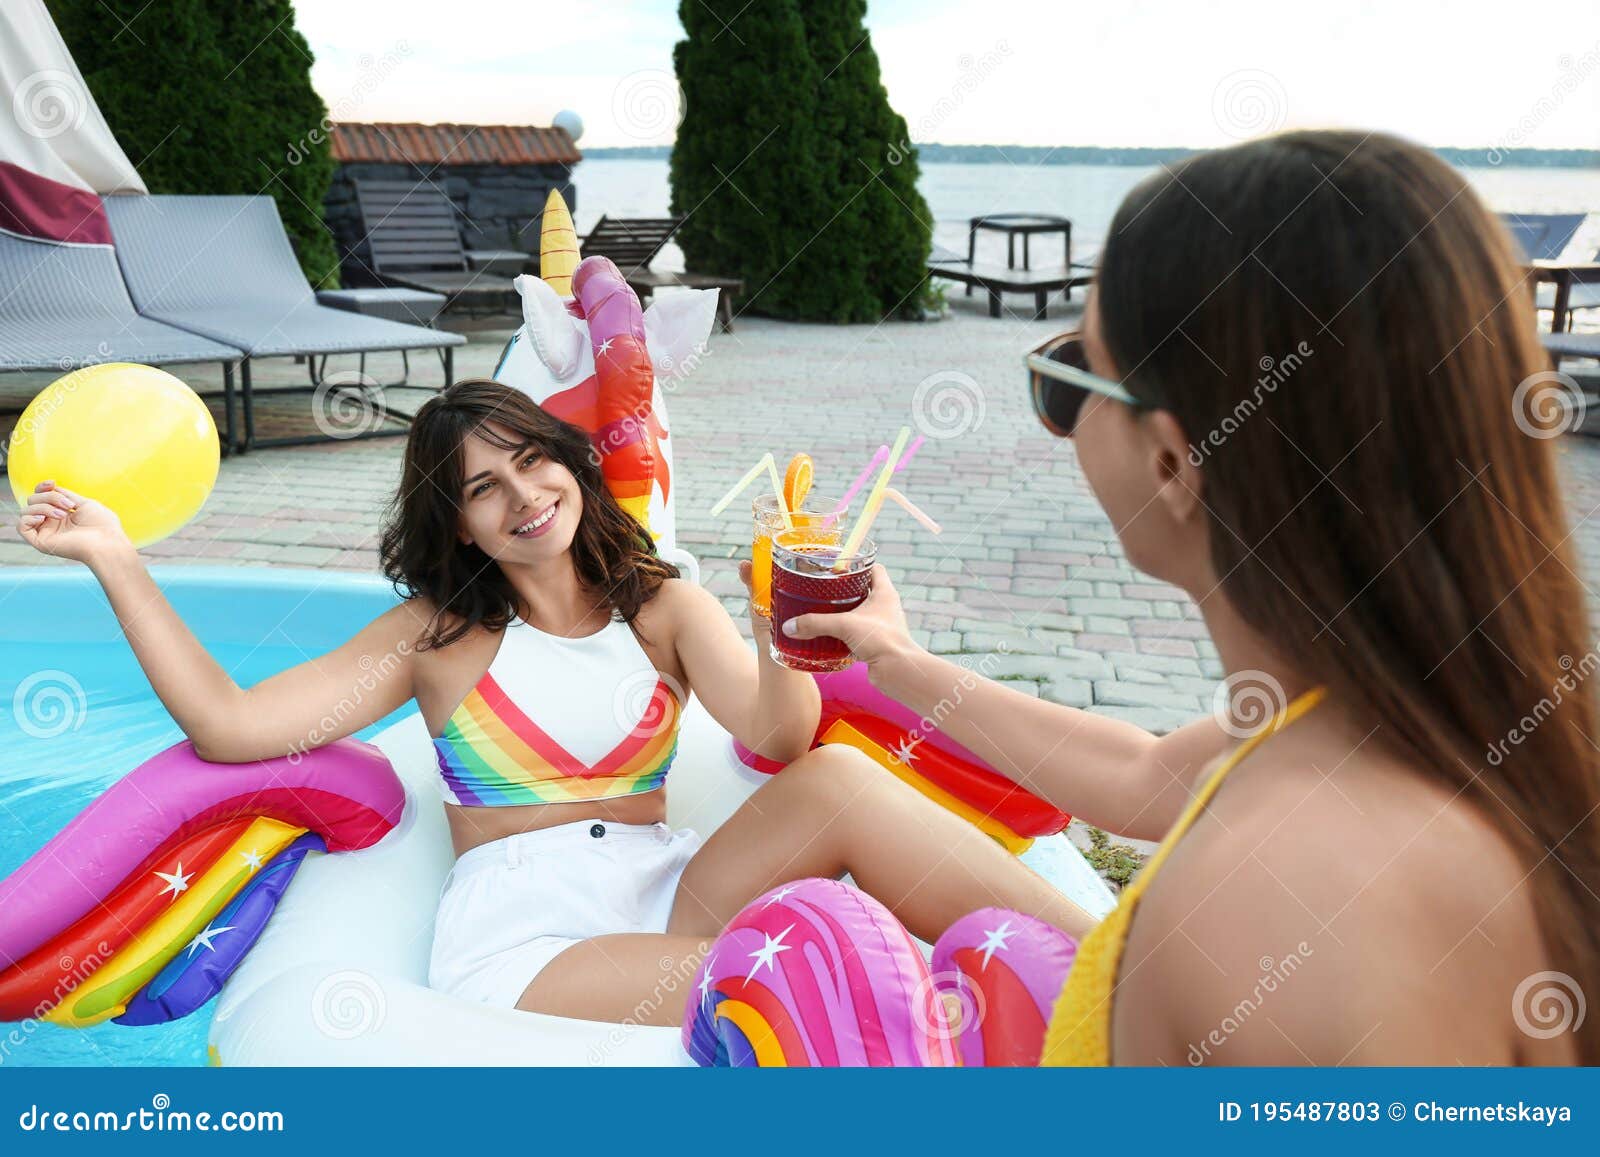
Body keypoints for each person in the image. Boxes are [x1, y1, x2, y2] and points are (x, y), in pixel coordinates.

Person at [785, 130, 1600, 1064]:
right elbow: (1148, 776)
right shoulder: (1403, 711)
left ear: (1174, 460)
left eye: (1065, 377)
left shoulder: (1286, 912)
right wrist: (901, 663)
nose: (1056, 428)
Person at [15, 379, 1092, 1026]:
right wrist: (113, 556)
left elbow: (778, 736)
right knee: (818, 968)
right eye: (485, 486)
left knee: (844, 778)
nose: (525, 496)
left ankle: (1109, 966)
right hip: (534, 929)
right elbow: (231, 725)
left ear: (572, 466)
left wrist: (779, 634)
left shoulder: (658, 602)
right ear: (460, 523)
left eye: (535, 462)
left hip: (671, 882)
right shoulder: (433, 637)